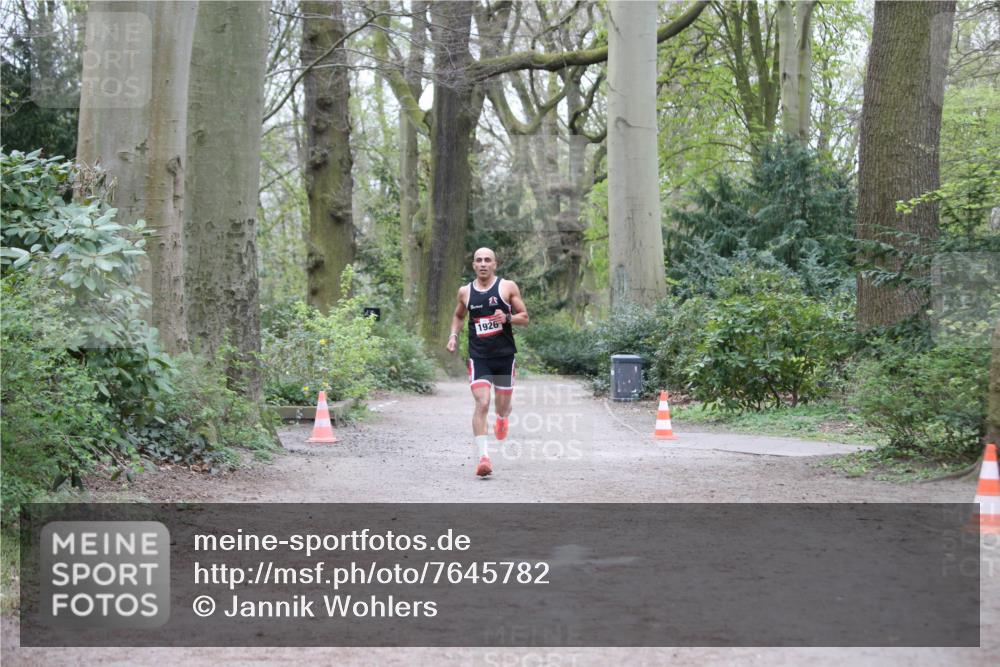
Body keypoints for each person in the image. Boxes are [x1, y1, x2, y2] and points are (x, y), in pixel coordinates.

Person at [446, 248, 529, 477]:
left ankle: (502, 418)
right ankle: (483, 457)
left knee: (502, 407)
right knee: (482, 403)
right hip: (479, 357)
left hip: (504, 358)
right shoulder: (465, 292)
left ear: (495, 264)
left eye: (487, 260)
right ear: (474, 265)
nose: (483, 264)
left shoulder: (507, 287)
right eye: (479, 260)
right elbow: (458, 316)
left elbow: (525, 317)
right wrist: (453, 336)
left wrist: (508, 318)